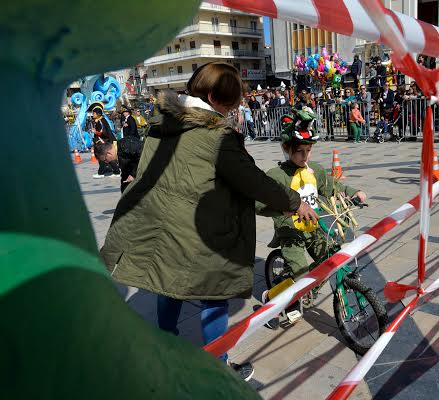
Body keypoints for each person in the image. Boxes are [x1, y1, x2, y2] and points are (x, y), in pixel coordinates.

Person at [100, 62, 318, 381]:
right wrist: (294, 202)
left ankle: (167, 343)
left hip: (161, 226)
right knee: (215, 294)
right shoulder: (216, 135)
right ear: (215, 96)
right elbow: (252, 179)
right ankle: (219, 362)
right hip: (195, 228)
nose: (232, 110)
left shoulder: (162, 122)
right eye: (230, 103)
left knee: (168, 285)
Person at [257, 107, 367, 328]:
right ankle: (271, 298)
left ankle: (308, 290)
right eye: (300, 151)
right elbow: (259, 204)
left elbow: (334, 186)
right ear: (286, 148)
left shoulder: (314, 170)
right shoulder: (276, 176)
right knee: (301, 274)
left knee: (332, 258)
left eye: (309, 150)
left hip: (315, 228)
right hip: (291, 232)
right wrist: (284, 210)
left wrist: (353, 192)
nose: (305, 156)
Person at [88, 103, 120, 179]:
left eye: (94, 113)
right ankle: (115, 171)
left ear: (98, 114)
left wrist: (95, 132)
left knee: (102, 157)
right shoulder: (99, 120)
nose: (93, 114)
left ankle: (101, 173)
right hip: (104, 142)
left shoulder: (101, 121)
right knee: (107, 157)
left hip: (104, 143)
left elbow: (104, 133)